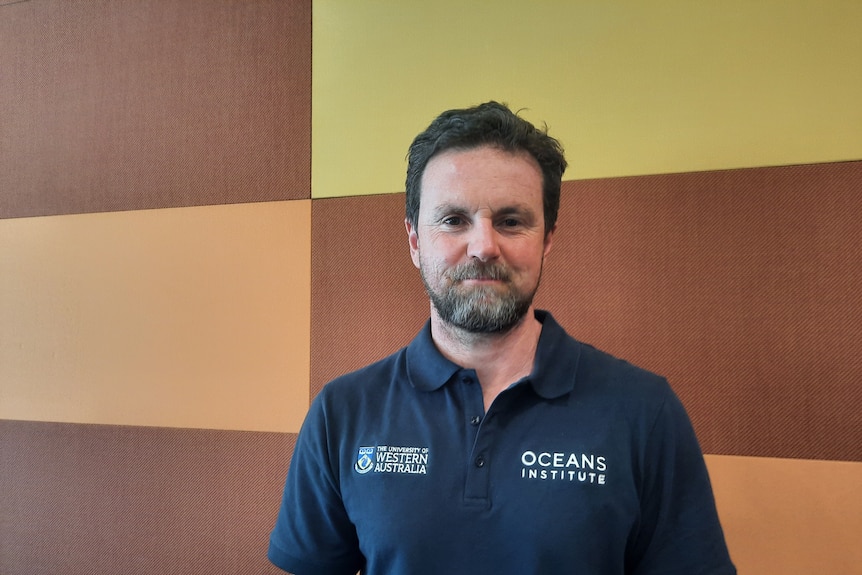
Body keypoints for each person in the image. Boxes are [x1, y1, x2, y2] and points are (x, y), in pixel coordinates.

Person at [268, 101, 736, 574]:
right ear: (414, 240)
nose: (484, 245)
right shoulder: (343, 412)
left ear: (547, 239)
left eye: (511, 221)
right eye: (453, 220)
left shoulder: (644, 412)